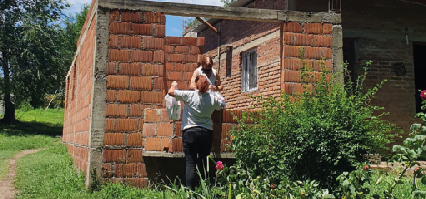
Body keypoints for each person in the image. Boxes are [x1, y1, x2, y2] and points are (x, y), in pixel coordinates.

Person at [168, 76, 223, 190]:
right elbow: (221, 105)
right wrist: (214, 90)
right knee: (204, 162)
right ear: (207, 85)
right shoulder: (212, 98)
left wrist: (174, 84)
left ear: (196, 85)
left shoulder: (190, 95)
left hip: (190, 132)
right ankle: (203, 191)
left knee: (190, 163)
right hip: (206, 133)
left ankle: (190, 193)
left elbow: (171, 92)